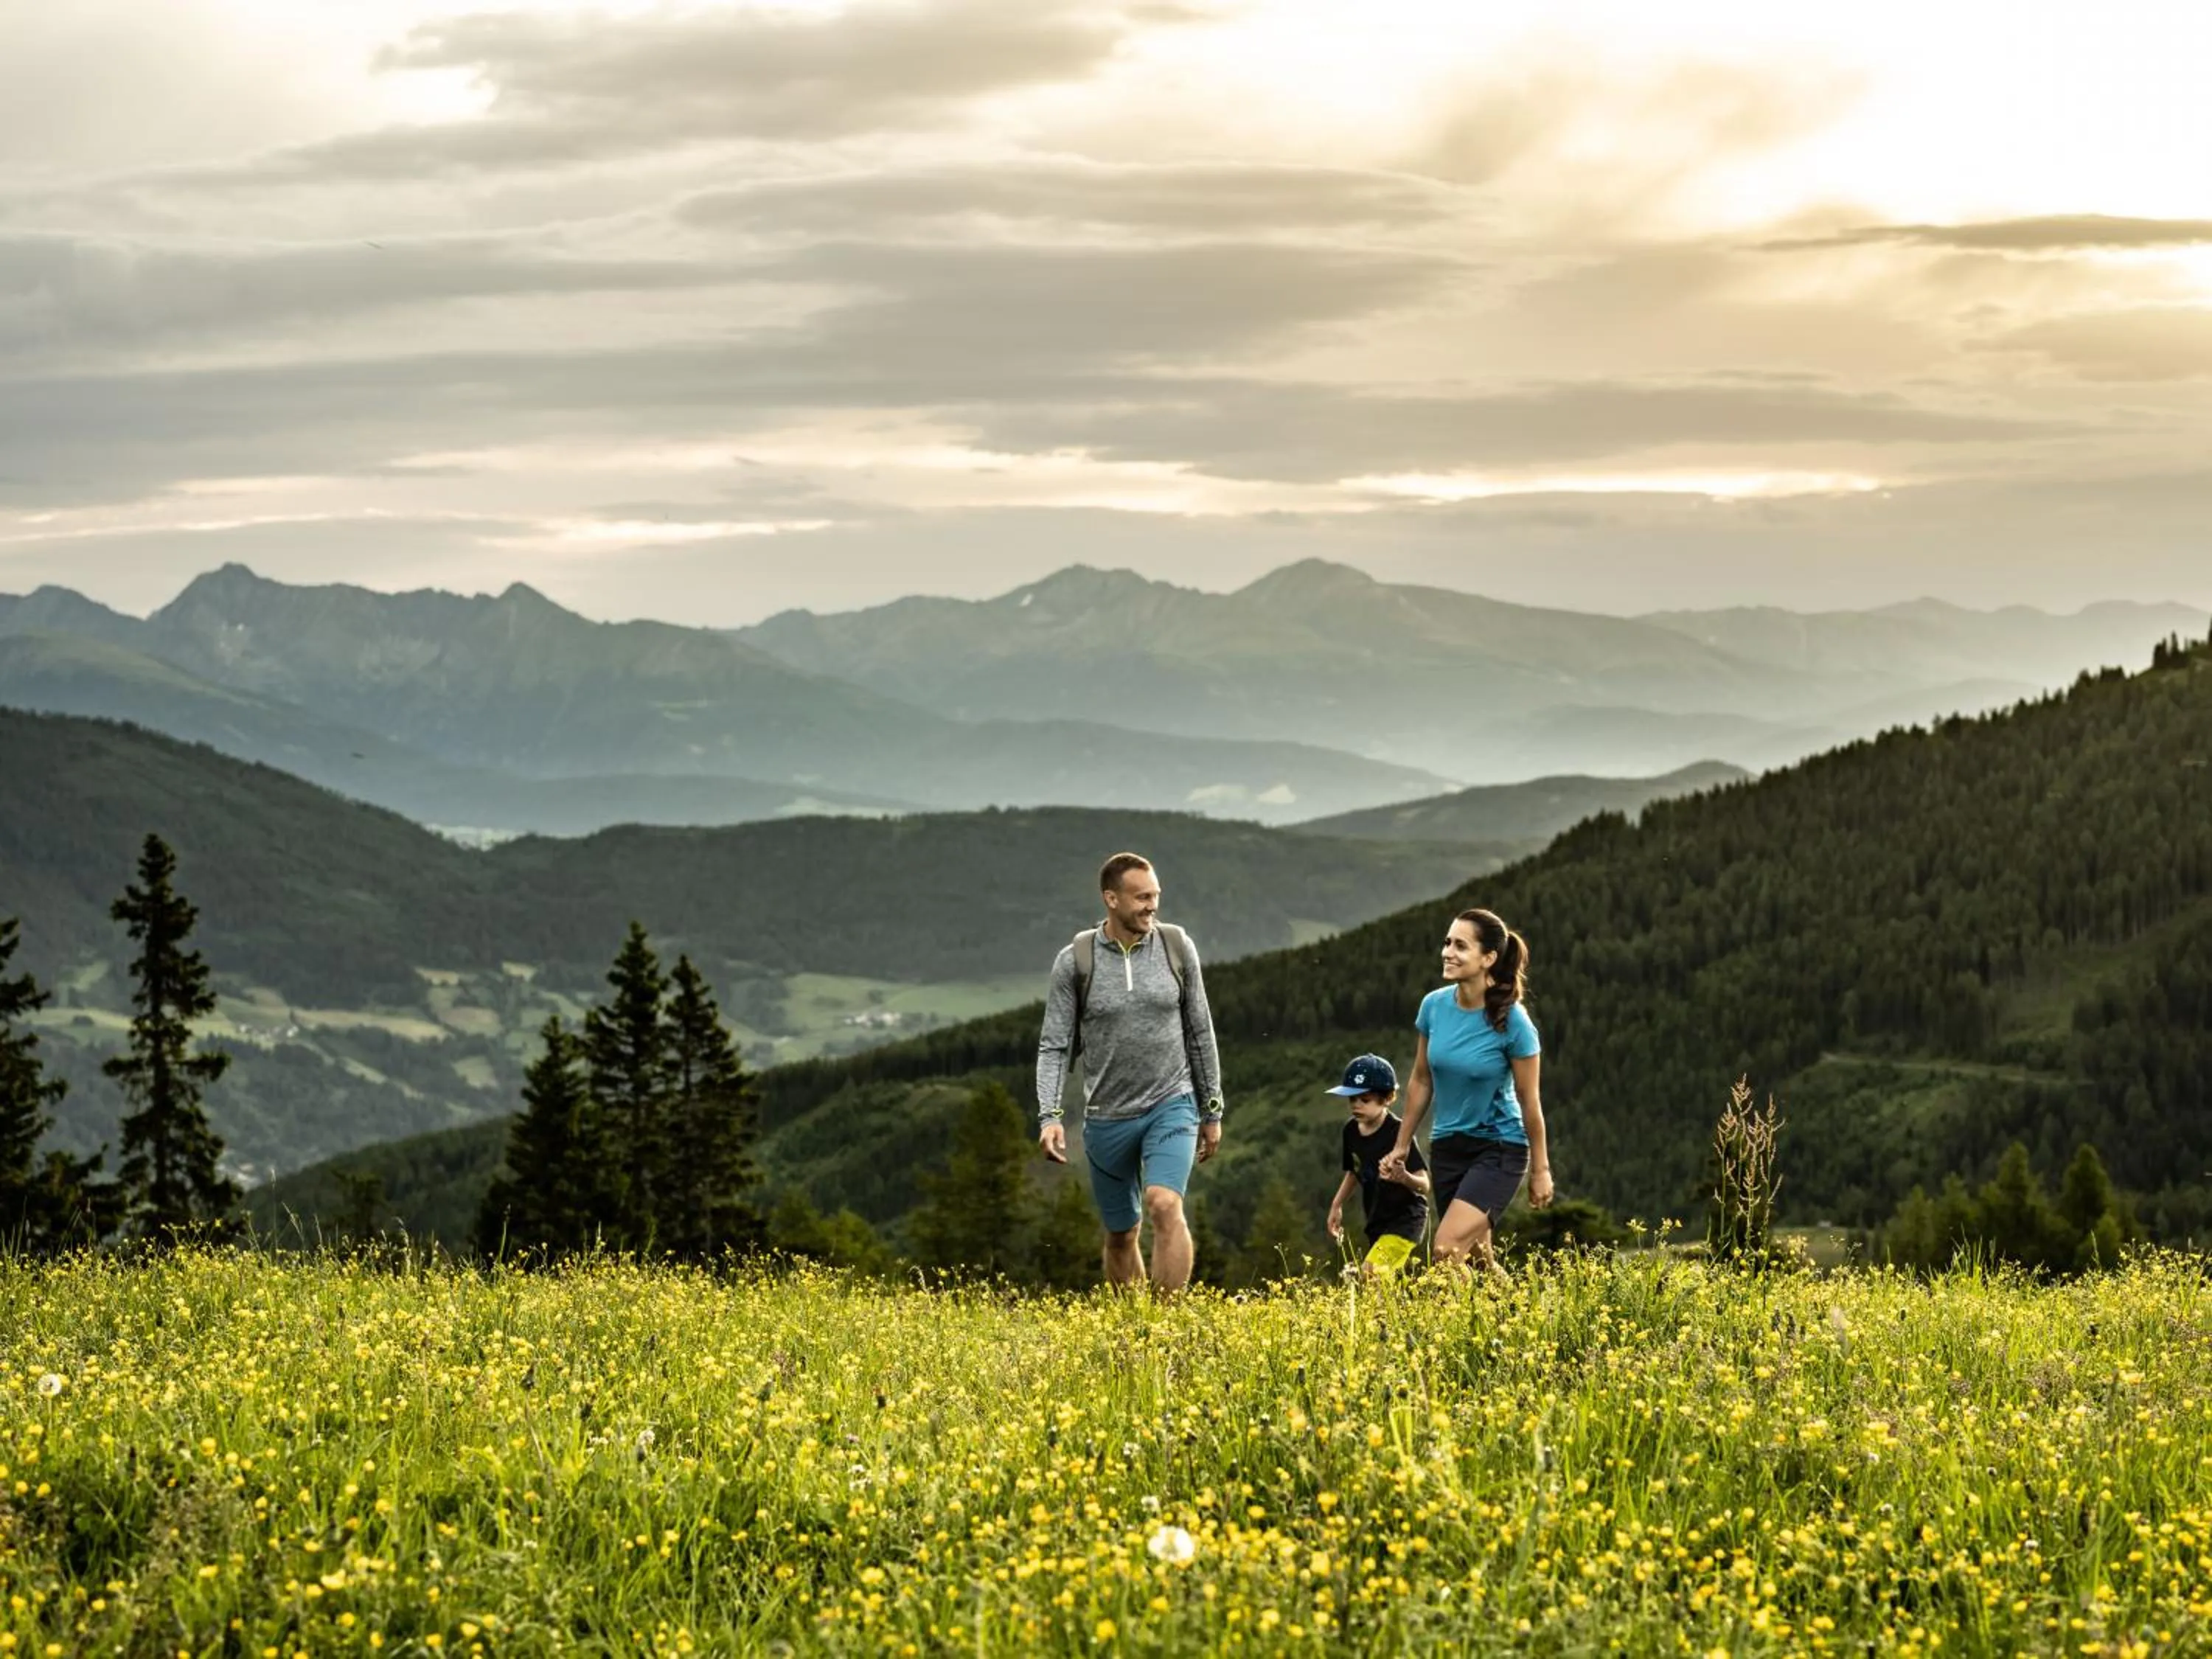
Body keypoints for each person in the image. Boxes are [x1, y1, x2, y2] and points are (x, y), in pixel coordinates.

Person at [1036, 853, 1224, 1293]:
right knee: (1122, 1234)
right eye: (1142, 897)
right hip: (1107, 1116)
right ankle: (1135, 1332)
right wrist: (1050, 1115)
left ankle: (1165, 1333)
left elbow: (1201, 1030)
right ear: (1111, 899)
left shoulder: (1177, 947)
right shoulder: (1076, 961)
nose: (1152, 906)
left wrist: (1212, 1108)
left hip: (1172, 1104)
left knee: (1164, 1205)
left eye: (1155, 896)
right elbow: (1055, 1046)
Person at [1382, 908, 1551, 1272]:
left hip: (1499, 1148)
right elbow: (1422, 1079)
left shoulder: (1514, 1023)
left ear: (1488, 958)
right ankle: (1525, 1320)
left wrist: (1541, 1170)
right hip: (1447, 1148)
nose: (1447, 952)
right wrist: (1400, 1145)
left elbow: (1529, 1100)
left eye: (1461, 946)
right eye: (1447, 942)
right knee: (1477, 1260)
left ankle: (1456, 1329)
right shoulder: (1434, 1006)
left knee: (1445, 1249)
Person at [1323, 1053, 1430, 1273]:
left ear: (1388, 1098)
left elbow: (1425, 1185)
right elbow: (1354, 1172)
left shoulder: (1399, 1133)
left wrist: (1404, 1177)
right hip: (1377, 1219)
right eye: (1352, 1099)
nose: (1356, 1106)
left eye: (1365, 1099)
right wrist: (1337, 1204)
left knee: (1372, 1273)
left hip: (1406, 1219)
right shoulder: (1350, 1131)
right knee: (1385, 1284)